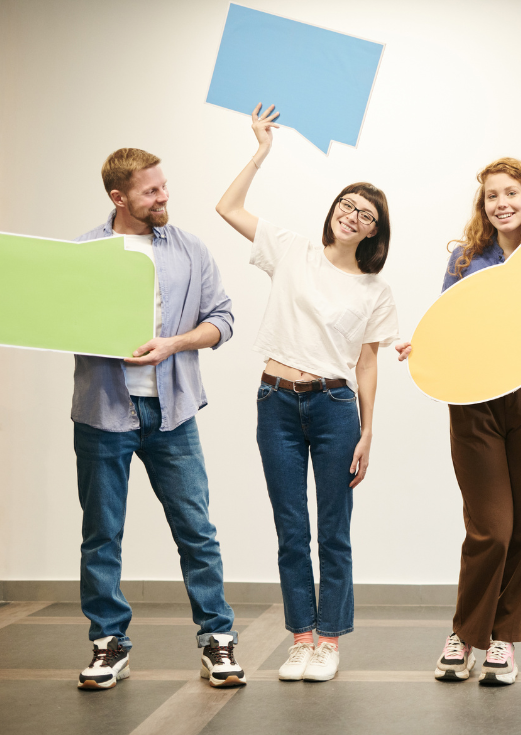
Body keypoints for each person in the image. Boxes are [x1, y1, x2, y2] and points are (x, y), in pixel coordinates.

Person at [216, 104, 399, 682]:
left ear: (374, 230)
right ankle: (301, 638)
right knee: (291, 527)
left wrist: (369, 430)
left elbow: (368, 363)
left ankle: (330, 641)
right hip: (276, 401)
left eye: (364, 214)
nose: (352, 216)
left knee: (333, 527)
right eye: (347, 205)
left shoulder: (375, 288)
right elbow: (227, 208)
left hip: (335, 408)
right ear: (334, 212)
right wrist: (261, 151)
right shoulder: (292, 250)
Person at [396, 157, 521, 686]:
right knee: (491, 528)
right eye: (491, 196)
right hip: (472, 399)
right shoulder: (464, 261)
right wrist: (422, 346)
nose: (501, 203)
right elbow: (445, 322)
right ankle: (465, 632)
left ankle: (503, 639)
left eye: (510, 194)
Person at [73, 148, 242, 690]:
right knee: (102, 533)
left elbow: (223, 320)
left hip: (173, 414)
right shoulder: (83, 254)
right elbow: (59, 322)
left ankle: (217, 640)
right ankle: (108, 643)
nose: (164, 196)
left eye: (163, 186)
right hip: (103, 412)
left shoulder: (190, 249)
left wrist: (173, 344)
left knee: (197, 531)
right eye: (150, 191)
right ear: (118, 198)